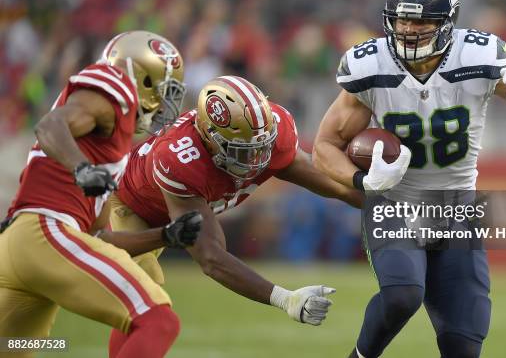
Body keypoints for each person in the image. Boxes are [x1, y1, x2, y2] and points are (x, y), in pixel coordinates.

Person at [312, 0, 506, 358]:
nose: (409, 29)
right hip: (395, 203)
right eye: (402, 18)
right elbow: (324, 146)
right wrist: (363, 182)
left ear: (446, 24)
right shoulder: (371, 66)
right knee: (403, 294)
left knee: (463, 340)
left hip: (456, 207)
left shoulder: (478, 58)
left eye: (421, 20)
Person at [95, 75, 363, 355]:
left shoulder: (269, 134)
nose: (257, 159)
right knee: (147, 299)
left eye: (263, 146)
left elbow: (336, 186)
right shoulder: (180, 159)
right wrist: (285, 299)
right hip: (129, 206)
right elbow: (211, 258)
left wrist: (393, 202)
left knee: (142, 305)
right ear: (210, 140)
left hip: (174, 209)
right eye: (244, 151)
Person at [0, 30, 191, 358]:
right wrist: (82, 169)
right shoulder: (112, 84)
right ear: (141, 78)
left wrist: (166, 236)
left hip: (20, 245)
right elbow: (49, 126)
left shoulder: (108, 143)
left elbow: (100, 236)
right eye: (163, 89)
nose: (165, 103)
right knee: (158, 320)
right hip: (45, 234)